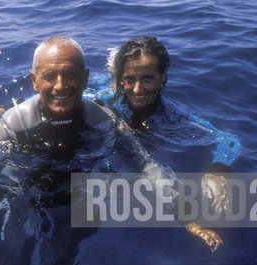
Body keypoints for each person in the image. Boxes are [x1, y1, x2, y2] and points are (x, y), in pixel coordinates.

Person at [0, 37, 222, 265]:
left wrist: (186, 217)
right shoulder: (12, 126)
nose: (60, 85)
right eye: (49, 76)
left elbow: (145, 165)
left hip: (75, 198)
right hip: (22, 194)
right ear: (33, 80)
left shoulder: (102, 119)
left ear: (86, 78)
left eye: (70, 75)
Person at [92, 35, 240, 225]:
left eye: (147, 79)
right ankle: (114, 66)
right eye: (130, 79)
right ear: (122, 78)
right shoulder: (103, 97)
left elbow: (230, 140)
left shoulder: (174, 116)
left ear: (163, 75)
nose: (137, 89)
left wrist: (217, 172)